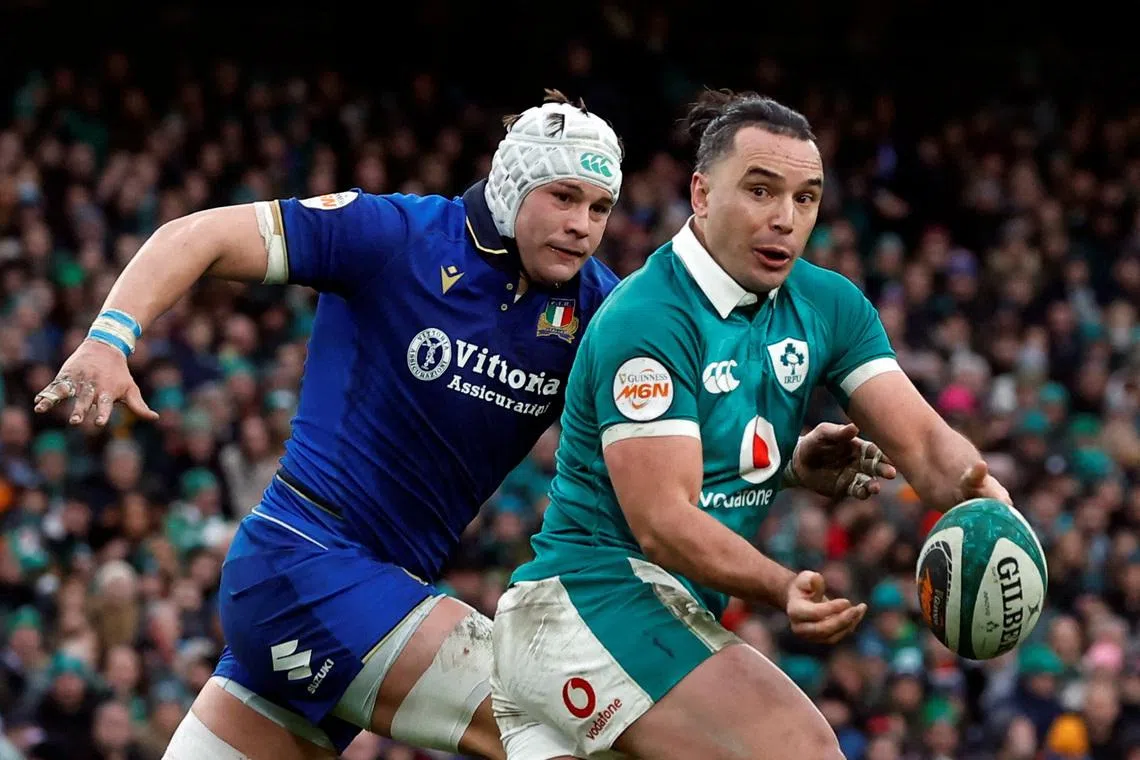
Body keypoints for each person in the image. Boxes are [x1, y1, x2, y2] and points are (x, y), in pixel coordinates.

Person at [33, 90, 893, 760]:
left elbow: (655, 447)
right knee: (555, 717)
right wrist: (113, 338)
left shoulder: (597, 311)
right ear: (515, 180)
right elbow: (199, 234)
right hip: (305, 564)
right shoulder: (395, 235)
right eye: (563, 197)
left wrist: (779, 463)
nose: (582, 226)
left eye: (600, 208)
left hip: (364, 605)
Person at [489, 89, 1013, 760]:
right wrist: (780, 585)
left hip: (646, 624)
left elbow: (929, 448)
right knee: (802, 749)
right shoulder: (648, 318)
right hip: (587, 605)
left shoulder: (827, 305)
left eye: (805, 198)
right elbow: (663, 521)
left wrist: (988, 501)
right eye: (762, 191)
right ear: (701, 194)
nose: (786, 219)